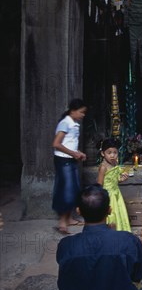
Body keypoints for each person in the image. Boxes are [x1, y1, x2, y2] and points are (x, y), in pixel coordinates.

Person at [52, 98, 87, 234]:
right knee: (65, 190)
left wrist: (78, 153)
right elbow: (56, 144)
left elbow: (69, 143)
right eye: (81, 112)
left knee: (73, 189)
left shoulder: (73, 123)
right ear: (73, 111)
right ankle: (62, 222)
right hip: (63, 160)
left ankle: (69, 218)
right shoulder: (65, 123)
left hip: (70, 159)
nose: (83, 115)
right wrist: (73, 153)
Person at [97, 138, 131, 231]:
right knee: (111, 215)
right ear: (103, 153)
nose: (112, 155)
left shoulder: (115, 163)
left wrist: (121, 179)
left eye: (115, 152)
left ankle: (120, 232)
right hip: (108, 195)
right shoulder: (103, 167)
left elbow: (114, 179)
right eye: (109, 152)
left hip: (116, 193)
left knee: (119, 213)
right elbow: (99, 184)